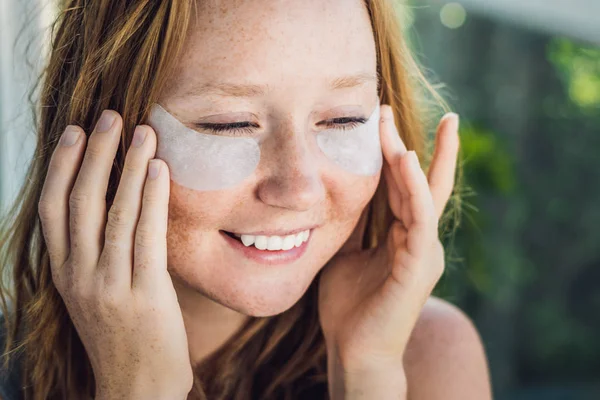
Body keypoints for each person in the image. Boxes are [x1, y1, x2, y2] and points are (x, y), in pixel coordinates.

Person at [0, 0, 492, 399]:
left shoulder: (431, 358)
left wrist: (366, 374)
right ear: (95, 142)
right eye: (229, 124)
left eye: (343, 119)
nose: (299, 188)